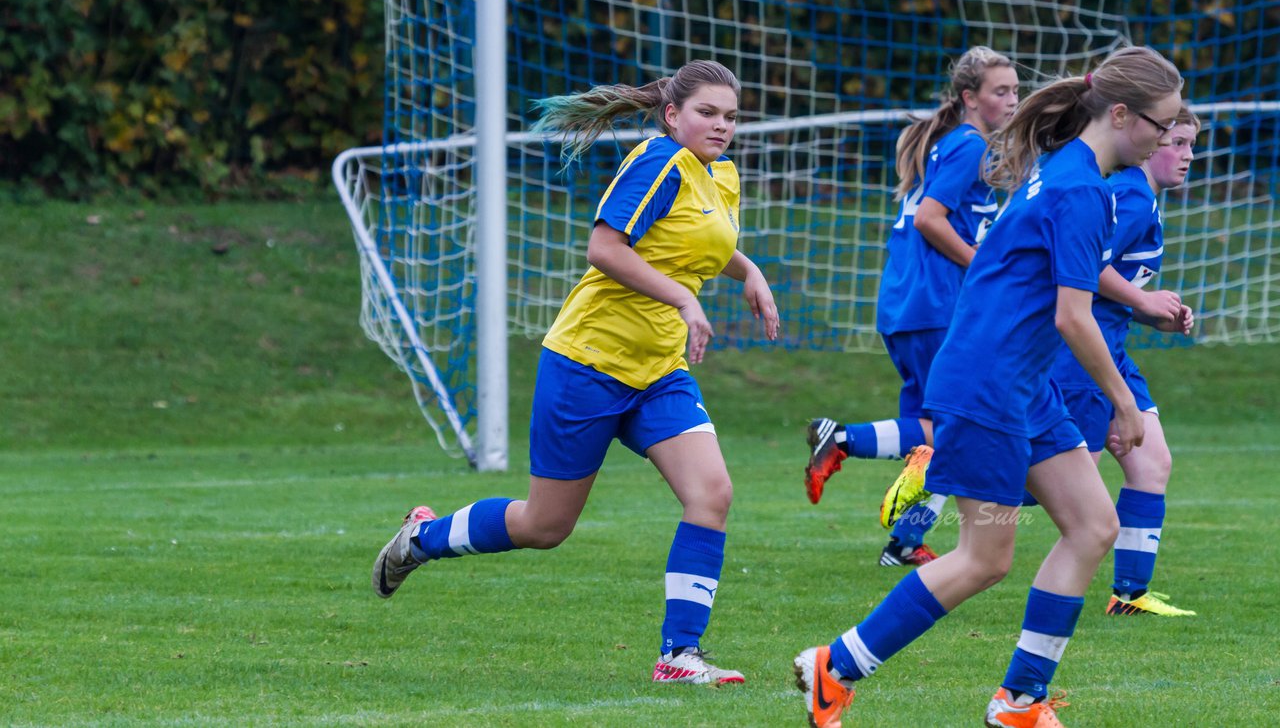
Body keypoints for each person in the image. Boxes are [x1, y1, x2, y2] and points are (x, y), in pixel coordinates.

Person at [793, 46, 1184, 728]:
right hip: (987, 387)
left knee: (1093, 527)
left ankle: (1020, 700)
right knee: (983, 556)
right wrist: (1123, 402)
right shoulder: (1083, 188)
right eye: (1162, 125)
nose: (1165, 140)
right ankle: (837, 666)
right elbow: (1073, 313)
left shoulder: (1067, 169)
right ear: (1121, 115)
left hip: (1020, 386)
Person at [371, 60, 780, 686]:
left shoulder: (719, 175)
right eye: (707, 112)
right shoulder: (658, 161)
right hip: (588, 361)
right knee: (544, 526)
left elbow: (699, 244)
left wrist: (746, 271)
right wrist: (684, 298)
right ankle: (421, 538)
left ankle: (679, 656)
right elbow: (606, 248)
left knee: (711, 494)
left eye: (730, 116)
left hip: (659, 372)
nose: (721, 126)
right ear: (672, 115)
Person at [803, 47, 1019, 567]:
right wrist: (980, 266)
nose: (1013, 100)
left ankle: (904, 541)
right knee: (955, 427)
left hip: (909, 303)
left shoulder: (954, 143)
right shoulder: (968, 145)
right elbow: (929, 218)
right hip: (936, 305)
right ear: (970, 98)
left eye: (1015, 90)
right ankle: (843, 440)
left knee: (934, 439)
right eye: (1001, 91)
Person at [1049, 104, 1199, 617]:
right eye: (1176, 142)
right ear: (1150, 140)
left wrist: (1157, 315)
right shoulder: (1131, 195)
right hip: (1078, 358)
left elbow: (1110, 290)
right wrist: (1144, 301)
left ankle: (1129, 597)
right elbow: (1083, 269)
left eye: (1191, 145)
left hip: (1112, 350)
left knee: (1153, 463)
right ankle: (934, 461)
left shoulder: (1145, 201)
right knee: (1059, 490)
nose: (1186, 155)